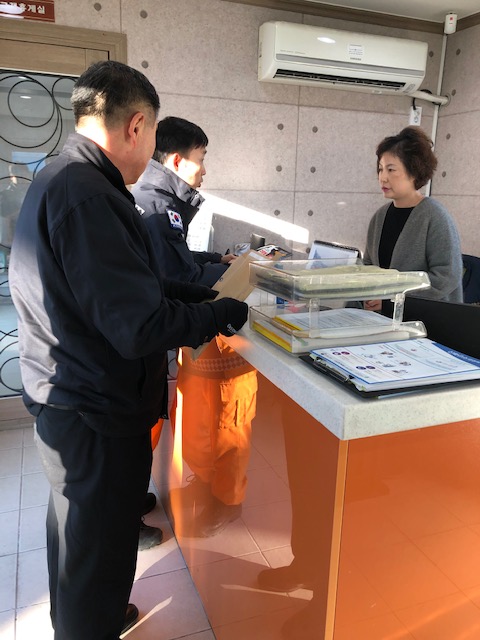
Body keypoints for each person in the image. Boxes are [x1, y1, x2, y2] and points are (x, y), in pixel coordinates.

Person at [9, 61, 248, 640]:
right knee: (96, 544)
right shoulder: (90, 195)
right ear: (137, 125)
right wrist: (219, 314)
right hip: (92, 407)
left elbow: (126, 283)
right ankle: (88, 625)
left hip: (71, 396)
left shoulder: (63, 177)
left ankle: (91, 616)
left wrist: (198, 293)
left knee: (82, 536)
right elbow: (138, 325)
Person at [132, 116, 257, 537]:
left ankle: (215, 496)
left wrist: (216, 261)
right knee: (208, 421)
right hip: (167, 332)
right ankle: (132, 507)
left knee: (209, 422)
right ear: (176, 160)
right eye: (201, 159)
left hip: (163, 334)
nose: (204, 170)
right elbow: (176, 275)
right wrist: (235, 280)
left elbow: (178, 258)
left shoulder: (154, 198)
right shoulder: (157, 207)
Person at [363, 125, 463, 313]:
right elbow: (368, 266)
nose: (383, 177)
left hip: (426, 321)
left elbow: (445, 277)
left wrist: (391, 300)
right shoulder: (379, 216)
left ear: (414, 172)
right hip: (382, 319)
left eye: (391, 170)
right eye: (380, 169)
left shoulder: (435, 216)